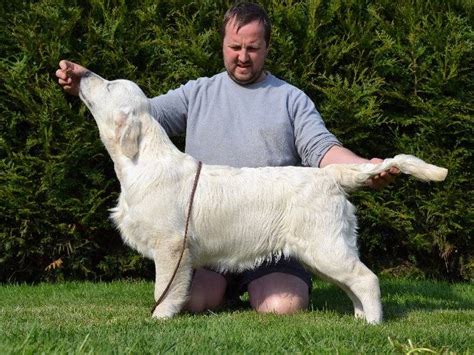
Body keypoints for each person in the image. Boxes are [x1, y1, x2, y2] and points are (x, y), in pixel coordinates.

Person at [56, 2, 398, 315]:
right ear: (223, 44)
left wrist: (363, 167)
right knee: (188, 300)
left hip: (271, 229)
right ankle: (226, 292)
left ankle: (267, 288)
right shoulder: (197, 92)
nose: (243, 56)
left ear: (266, 48)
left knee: (283, 306)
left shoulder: (291, 98)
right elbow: (141, 112)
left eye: (252, 48)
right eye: (235, 47)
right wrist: (86, 84)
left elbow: (322, 149)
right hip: (209, 240)